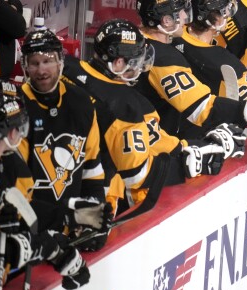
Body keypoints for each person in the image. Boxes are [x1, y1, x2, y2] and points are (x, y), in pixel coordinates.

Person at [63, 19, 233, 211]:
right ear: (118, 63)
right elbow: (139, 173)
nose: (139, 68)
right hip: (88, 207)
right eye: (135, 61)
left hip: (46, 185)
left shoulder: (67, 68)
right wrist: (201, 154)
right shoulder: (127, 106)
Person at [0, 93, 91, 290]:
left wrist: (65, 224)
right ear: (10, 133)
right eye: (20, 129)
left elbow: (21, 213)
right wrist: (33, 247)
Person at [134, 0, 247, 142]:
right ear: (166, 20)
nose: (185, 16)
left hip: (138, 139)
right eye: (179, 11)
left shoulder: (135, 38)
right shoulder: (167, 57)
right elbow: (202, 108)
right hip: (152, 148)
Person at [17, 28, 112, 251]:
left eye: (48, 61)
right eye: (34, 63)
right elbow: (16, 193)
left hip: (70, 225)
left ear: (61, 62)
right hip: (30, 230)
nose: (41, 70)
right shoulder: (17, 111)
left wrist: (93, 219)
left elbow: (91, 168)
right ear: (25, 67)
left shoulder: (82, 102)